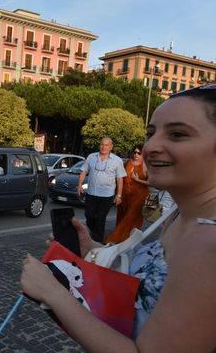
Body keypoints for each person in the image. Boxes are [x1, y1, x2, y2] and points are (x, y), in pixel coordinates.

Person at [21, 85, 216, 351]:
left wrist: (53, 294)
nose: (151, 146)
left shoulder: (209, 243)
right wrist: (94, 250)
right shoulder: (179, 213)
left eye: (178, 134)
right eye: (151, 133)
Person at [77, 138, 126, 243]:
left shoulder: (117, 161)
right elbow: (83, 171)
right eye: (102, 144)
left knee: (100, 218)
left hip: (107, 195)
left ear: (111, 147)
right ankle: (91, 235)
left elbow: (120, 179)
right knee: (89, 215)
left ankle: (97, 241)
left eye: (107, 145)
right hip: (91, 193)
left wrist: (119, 195)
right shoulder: (91, 157)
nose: (104, 147)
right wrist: (79, 185)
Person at [105, 144, 149, 243]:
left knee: (130, 218)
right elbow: (119, 177)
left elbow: (152, 182)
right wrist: (117, 193)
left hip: (139, 196)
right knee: (121, 217)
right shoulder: (127, 163)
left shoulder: (146, 165)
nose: (136, 154)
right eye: (135, 152)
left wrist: (137, 180)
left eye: (139, 153)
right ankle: (125, 240)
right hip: (125, 195)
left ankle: (117, 239)